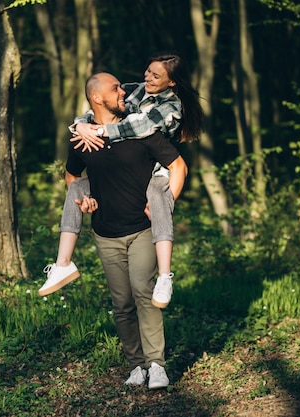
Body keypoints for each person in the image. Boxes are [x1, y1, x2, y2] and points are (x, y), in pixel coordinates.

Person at [39, 52, 204, 311]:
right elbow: (99, 101)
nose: (147, 77)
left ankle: (165, 277)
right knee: (77, 188)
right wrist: (80, 125)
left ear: (171, 82)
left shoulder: (170, 107)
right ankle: (63, 263)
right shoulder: (136, 90)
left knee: (160, 197)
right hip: (111, 212)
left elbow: (139, 127)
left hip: (157, 171)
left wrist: (99, 130)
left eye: (156, 75)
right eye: (148, 71)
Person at [61, 71, 185, 388]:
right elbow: (72, 176)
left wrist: (165, 200)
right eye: (115, 88)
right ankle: (137, 365)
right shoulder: (84, 138)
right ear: (97, 98)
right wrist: (84, 200)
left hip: (143, 229)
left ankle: (156, 364)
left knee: (144, 294)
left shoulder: (140, 127)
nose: (123, 92)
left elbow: (177, 165)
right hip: (105, 233)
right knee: (122, 303)